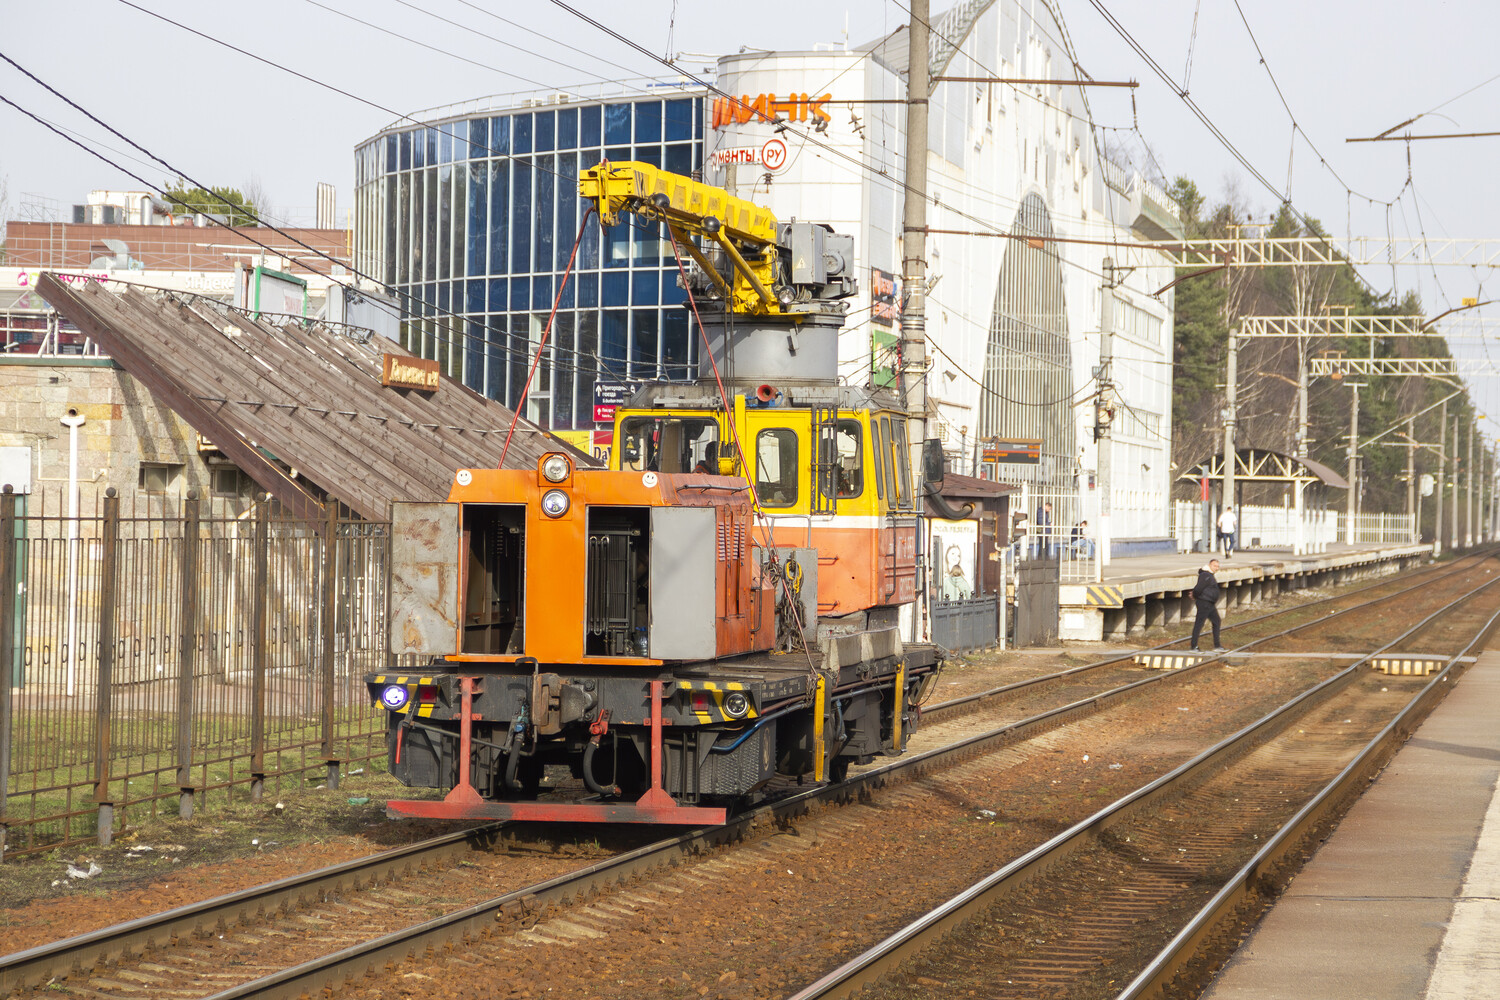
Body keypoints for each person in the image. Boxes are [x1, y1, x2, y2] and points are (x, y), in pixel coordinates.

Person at [1190, 557, 1227, 652]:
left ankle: (1217, 646)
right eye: (1215, 566)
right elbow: (1198, 588)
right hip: (1204, 602)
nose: (1216, 568)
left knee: (1217, 621)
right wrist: (1195, 595)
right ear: (1210, 565)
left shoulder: (1209, 575)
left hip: (1209, 603)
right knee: (1199, 623)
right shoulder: (1205, 575)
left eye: (1218, 566)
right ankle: (1194, 646)